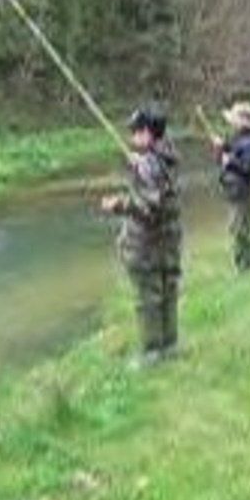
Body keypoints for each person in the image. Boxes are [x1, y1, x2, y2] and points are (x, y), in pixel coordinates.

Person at [102, 108, 182, 367]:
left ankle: (152, 352)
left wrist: (119, 205)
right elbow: (160, 194)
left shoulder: (148, 164)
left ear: (148, 133)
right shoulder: (167, 155)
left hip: (147, 244)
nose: (132, 137)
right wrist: (141, 162)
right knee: (167, 290)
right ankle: (170, 345)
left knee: (147, 297)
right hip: (169, 240)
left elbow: (148, 209)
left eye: (136, 131)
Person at [210, 100, 250, 272]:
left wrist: (230, 160)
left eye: (234, 120)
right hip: (234, 190)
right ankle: (247, 266)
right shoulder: (239, 137)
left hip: (244, 191)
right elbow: (226, 156)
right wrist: (220, 148)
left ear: (244, 121)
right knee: (236, 228)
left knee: (240, 230)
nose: (231, 123)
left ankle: (248, 267)